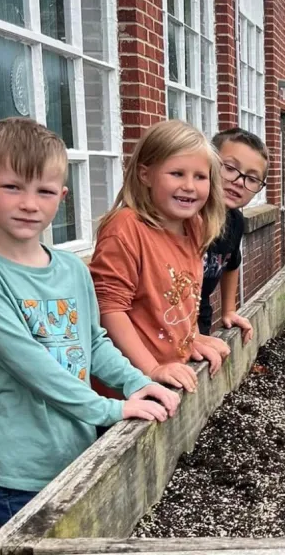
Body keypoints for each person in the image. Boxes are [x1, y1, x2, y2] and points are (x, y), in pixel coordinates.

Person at [0, 118, 179, 527]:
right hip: (21, 467)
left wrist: (137, 381)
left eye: (44, 191)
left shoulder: (72, 268)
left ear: (62, 196)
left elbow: (94, 344)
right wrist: (111, 409)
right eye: (12, 187)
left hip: (78, 451)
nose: (29, 203)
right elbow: (32, 366)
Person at [90, 120, 230, 394]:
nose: (190, 186)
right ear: (145, 175)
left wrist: (192, 339)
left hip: (173, 378)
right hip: (130, 388)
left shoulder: (193, 226)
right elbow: (109, 310)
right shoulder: (126, 228)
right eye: (177, 173)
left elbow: (170, 307)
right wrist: (151, 368)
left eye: (200, 177)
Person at [197, 128, 268, 342]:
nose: (239, 181)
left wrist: (228, 310)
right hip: (163, 327)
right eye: (229, 168)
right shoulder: (185, 216)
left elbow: (232, 263)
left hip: (200, 317)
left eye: (252, 178)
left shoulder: (235, 221)